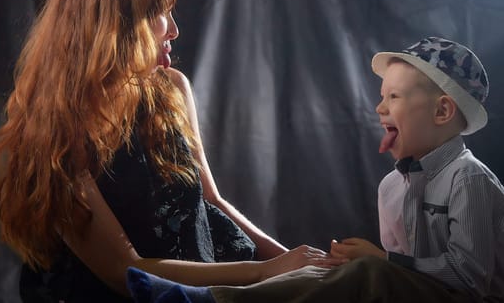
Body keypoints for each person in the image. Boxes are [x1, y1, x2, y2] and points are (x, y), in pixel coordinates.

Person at [0, 0, 342, 301]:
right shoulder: (48, 135)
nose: (174, 29)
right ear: (117, 23)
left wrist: (294, 263)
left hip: (220, 281)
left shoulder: (171, 88)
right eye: (159, 13)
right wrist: (267, 272)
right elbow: (123, 271)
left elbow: (211, 200)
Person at [125, 37, 504, 303]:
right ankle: (212, 297)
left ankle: (212, 302)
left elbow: (471, 278)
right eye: (381, 95)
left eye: (395, 97)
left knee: (368, 275)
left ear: (442, 111)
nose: (380, 108)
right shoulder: (392, 187)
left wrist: (382, 262)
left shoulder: (469, 181)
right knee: (332, 274)